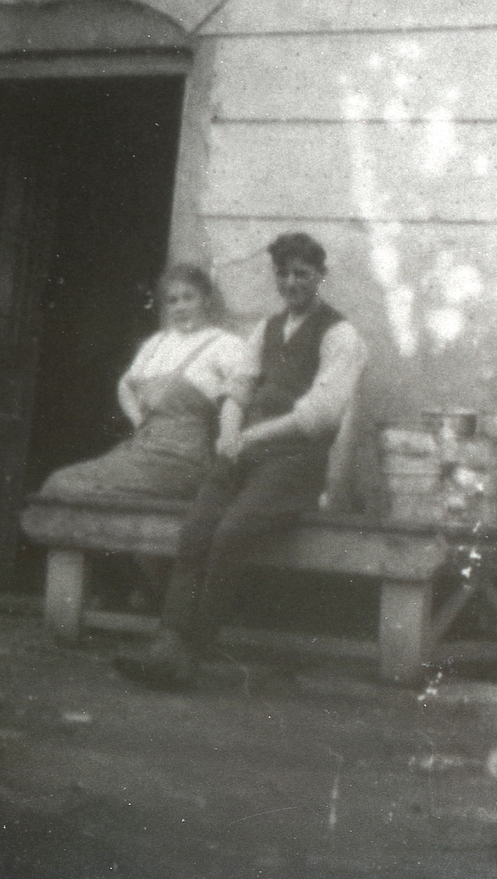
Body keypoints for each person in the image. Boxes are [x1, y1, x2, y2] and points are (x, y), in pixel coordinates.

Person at [117, 231, 367, 686]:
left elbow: (321, 414)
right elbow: (239, 388)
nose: (291, 283)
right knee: (196, 530)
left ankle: (191, 656)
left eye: (302, 274)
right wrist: (231, 430)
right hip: (246, 452)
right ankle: (166, 645)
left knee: (230, 533)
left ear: (321, 276)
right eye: (283, 274)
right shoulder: (266, 328)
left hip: (295, 463)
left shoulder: (340, 334)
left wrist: (251, 435)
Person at [38, 264, 249, 504]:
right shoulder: (157, 344)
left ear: (206, 300)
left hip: (185, 461)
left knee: (70, 487)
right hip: (144, 452)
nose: (180, 307)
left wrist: (228, 437)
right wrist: (139, 420)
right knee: (60, 482)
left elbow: (240, 395)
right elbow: (126, 384)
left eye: (188, 298)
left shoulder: (226, 345)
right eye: (172, 300)